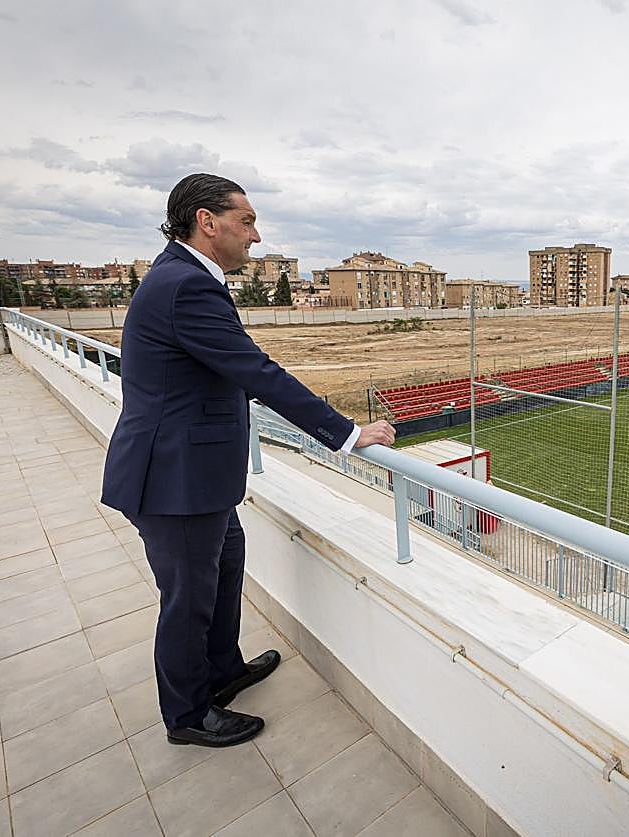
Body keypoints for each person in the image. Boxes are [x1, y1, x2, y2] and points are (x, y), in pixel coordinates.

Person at [101, 173, 395, 747]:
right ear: (207, 222)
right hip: (173, 479)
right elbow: (255, 372)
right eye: (248, 221)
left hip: (196, 476)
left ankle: (222, 671)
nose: (256, 236)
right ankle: (187, 715)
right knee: (187, 601)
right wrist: (346, 433)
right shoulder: (186, 286)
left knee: (225, 567)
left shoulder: (184, 277)